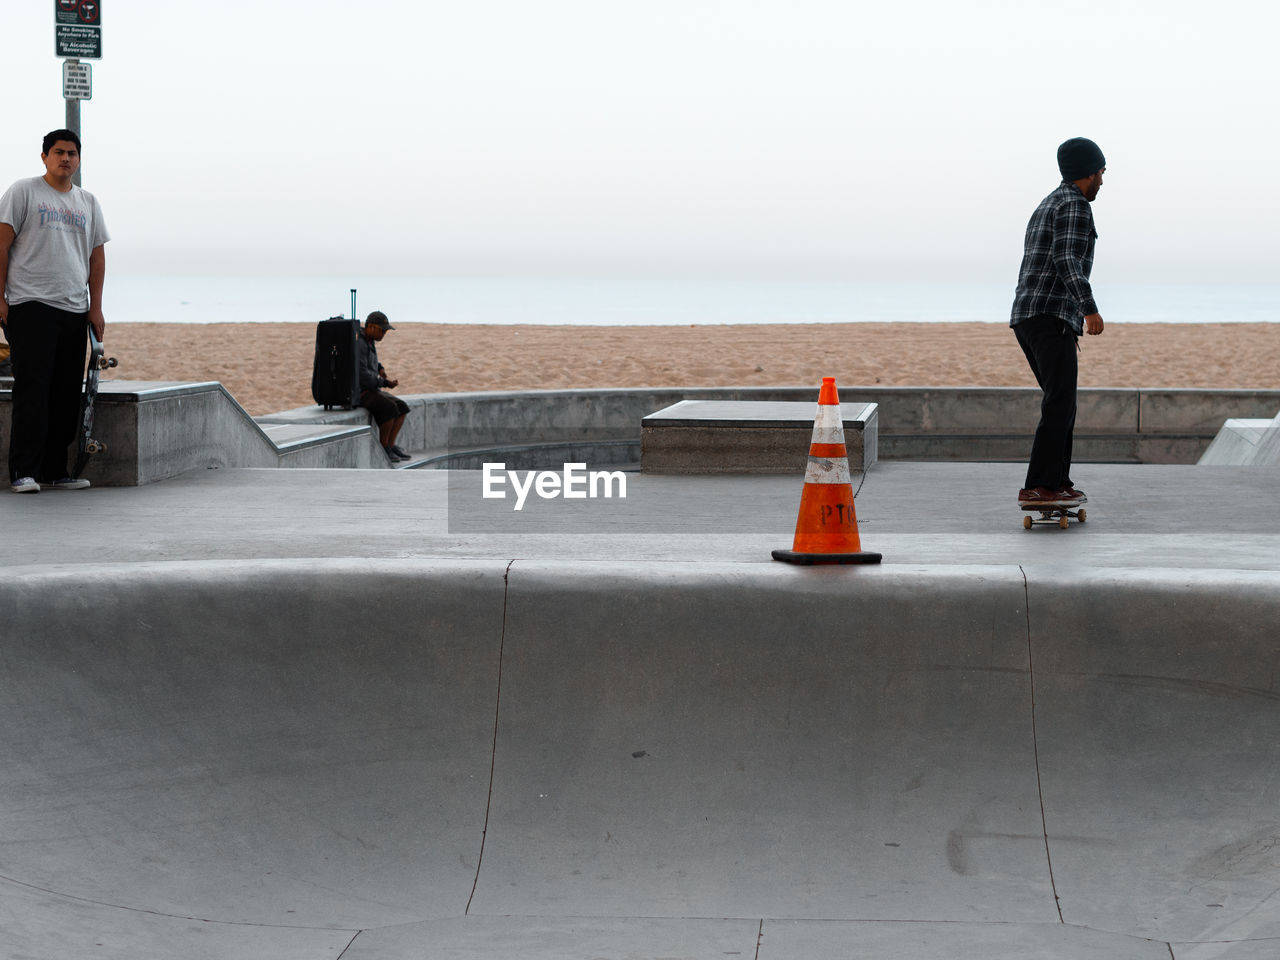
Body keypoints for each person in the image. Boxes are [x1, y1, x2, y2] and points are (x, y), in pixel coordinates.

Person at [0, 129, 110, 494]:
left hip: (73, 308)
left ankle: (55, 470)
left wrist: (96, 307)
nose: (66, 159)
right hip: (30, 304)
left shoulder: (88, 202)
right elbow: (2, 245)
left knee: (66, 393)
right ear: (45, 156)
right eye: (59, 152)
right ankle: (23, 472)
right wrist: (0, 298)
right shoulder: (23, 191)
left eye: (73, 153)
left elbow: (96, 255)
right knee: (33, 390)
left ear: (79, 160)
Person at [1010, 136, 1106, 507]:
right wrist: (1089, 308)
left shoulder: (1049, 201)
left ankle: (1057, 482)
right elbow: (1067, 260)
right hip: (1049, 315)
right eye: (1101, 172)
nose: (1102, 180)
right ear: (1089, 171)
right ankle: (1039, 486)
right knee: (1060, 402)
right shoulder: (1075, 205)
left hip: (1031, 316)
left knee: (1061, 400)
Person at [358, 310, 411, 462]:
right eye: (382, 330)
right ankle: (383, 447)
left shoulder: (369, 340)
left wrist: (380, 368)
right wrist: (385, 383)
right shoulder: (359, 343)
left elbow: (370, 362)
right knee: (390, 408)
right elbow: (363, 376)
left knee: (402, 407)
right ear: (371, 327)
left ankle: (391, 445)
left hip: (372, 388)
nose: (383, 334)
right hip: (362, 392)